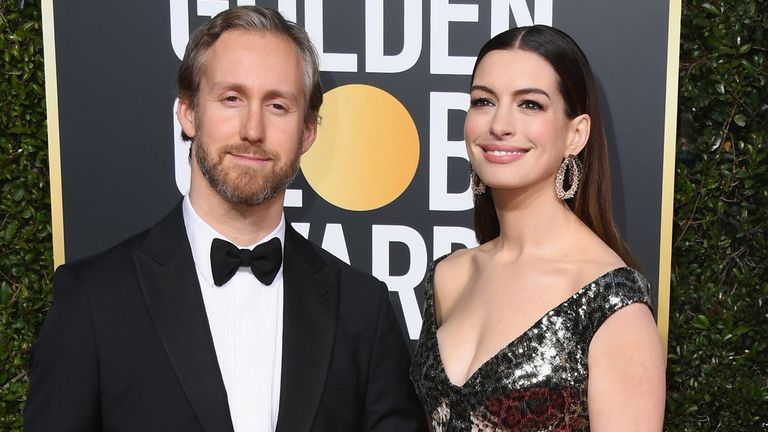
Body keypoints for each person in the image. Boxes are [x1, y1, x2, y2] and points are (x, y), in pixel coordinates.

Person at [25, 6, 426, 432]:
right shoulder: (93, 299)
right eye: (231, 98)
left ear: (308, 132)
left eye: (277, 105)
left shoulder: (363, 307)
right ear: (188, 113)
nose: (252, 129)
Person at [409, 26, 665, 431]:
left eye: (529, 104)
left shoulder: (612, 303)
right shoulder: (449, 275)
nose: (500, 124)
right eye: (484, 101)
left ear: (576, 133)